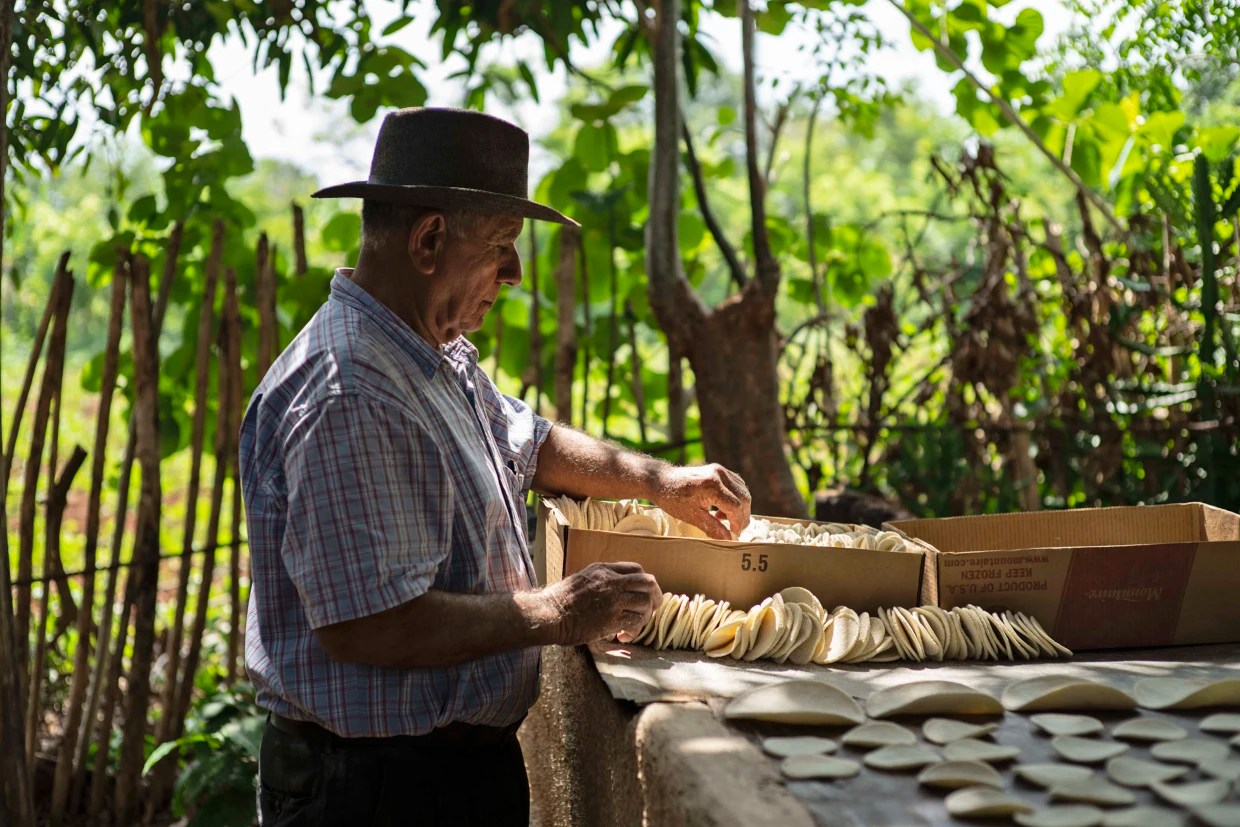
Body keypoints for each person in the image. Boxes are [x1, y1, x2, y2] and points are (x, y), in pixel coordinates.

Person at [240, 107, 752, 826]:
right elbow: (369, 625)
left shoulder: (426, 351)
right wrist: (561, 610)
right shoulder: (350, 389)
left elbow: (529, 439)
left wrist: (659, 481)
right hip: (373, 790)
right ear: (428, 241)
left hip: (439, 770)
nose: (512, 273)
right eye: (502, 246)